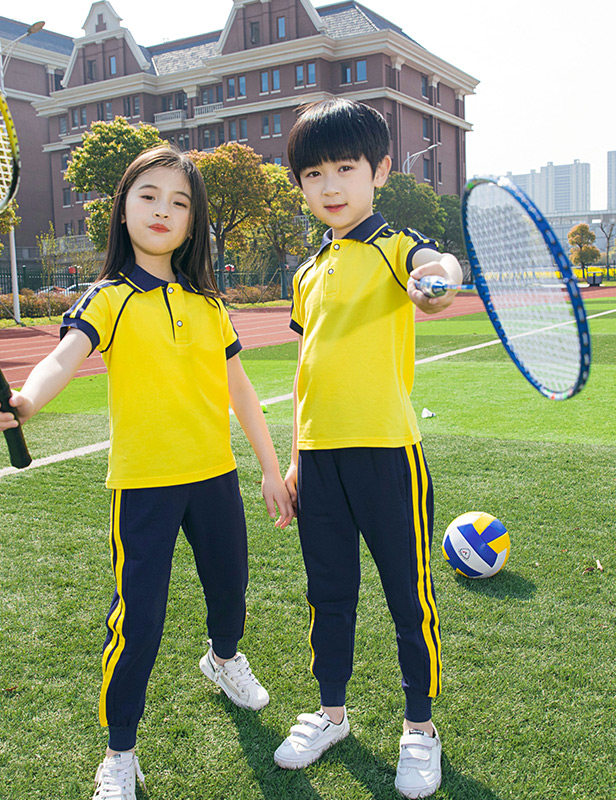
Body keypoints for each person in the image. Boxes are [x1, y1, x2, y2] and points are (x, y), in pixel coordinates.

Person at [0, 145, 294, 800]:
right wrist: (26, 402)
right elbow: (64, 358)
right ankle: (119, 751)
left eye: (180, 203)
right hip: (144, 487)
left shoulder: (209, 305)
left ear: (193, 223)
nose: (163, 210)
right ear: (123, 209)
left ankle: (223, 658)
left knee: (230, 592)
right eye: (149, 195)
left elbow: (239, 392)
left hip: (214, 478)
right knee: (139, 623)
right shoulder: (109, 299)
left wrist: (269, 468)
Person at [275, 98, 463, 799]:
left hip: (388, 453)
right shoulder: (306, 272)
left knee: (406, 596)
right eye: (314, 173)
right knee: (329, 595)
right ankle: (331, 714)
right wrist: (295, 458)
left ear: (379, 171)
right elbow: (305, 373)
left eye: (345, 169)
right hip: (320, 460)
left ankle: (420, 728)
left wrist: (438, 280)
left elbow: (433, 272)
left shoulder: (395, 249)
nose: (329, 186)